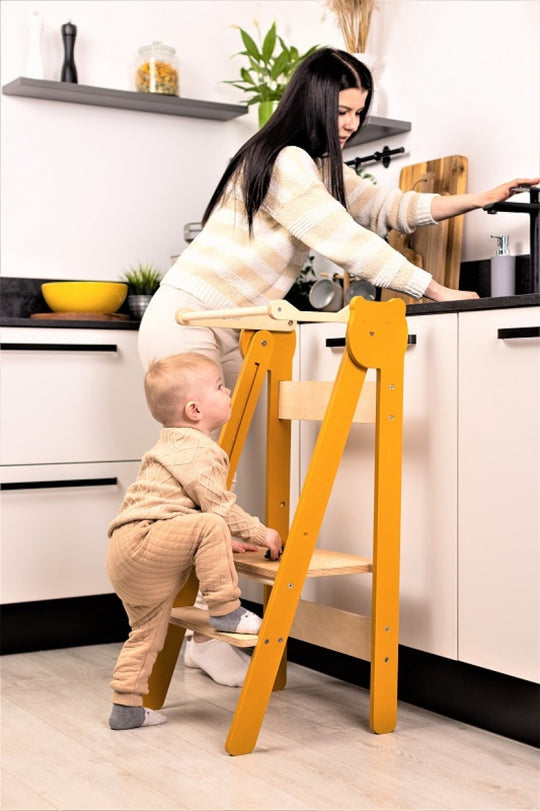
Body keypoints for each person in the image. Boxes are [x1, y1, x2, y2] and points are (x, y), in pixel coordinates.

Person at [138, 46, 539, 685]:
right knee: (194, 482)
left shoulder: (318, 167)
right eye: (342, 108)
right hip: (189, 319)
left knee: (216, 481)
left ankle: (208, 631)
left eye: (359, 111)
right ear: (313, 101)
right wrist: (433, 290)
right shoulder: (286, 161)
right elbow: (345, 238)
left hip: (234, 327)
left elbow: (386, 207)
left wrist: (481, 198)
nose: (350, 122)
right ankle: (202, 634)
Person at [106, 352, 282, 730]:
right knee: (210, 523)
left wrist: (214, 544)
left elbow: (178, 509)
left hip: (127, 548)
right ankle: (226, 611)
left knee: (146, 636)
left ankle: (126, 708)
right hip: (146, 537)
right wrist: (260, 533)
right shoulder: (201, 449)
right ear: (195, 410)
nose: (228, 389)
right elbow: (219, 509)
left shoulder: (170, 444)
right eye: (220, 386)